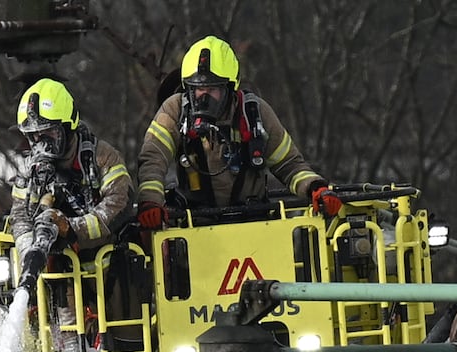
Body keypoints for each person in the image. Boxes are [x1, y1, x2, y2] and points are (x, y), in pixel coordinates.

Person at [135, 35, 342, 228]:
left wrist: (315, 187)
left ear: (230, 88)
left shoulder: (255, 113)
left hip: (254, 226)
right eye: (198, 89)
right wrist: (150, 202)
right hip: (194, 230)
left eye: (213, 90)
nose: (204, 98)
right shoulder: (175, 110)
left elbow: (289, 163)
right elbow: (153, 157)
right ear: (187, 87)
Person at [8, 77, 135, 263]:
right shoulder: (30, 170)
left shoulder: (102, 156)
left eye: (49, 133)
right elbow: (20, 216)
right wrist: (30, 253)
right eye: (33, 136)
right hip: (59, 267)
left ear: (68, 127)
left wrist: (71, 228)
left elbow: (118, 204)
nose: (41, 144)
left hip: (107, 259)